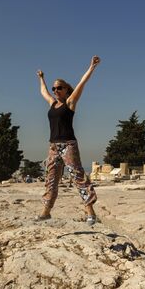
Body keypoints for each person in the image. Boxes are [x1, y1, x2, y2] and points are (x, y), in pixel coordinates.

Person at [36, 56, 100, 225]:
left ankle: (90, 212)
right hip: (53, 146)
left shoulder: (70, 103)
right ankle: (46, 211)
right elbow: (43, 92)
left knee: (78, 177)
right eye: (54, 88)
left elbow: (82, 83)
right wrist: (41, 78)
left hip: (68, 145)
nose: (55, 90)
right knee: (51, 179)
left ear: (66, 90)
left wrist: (91, 67)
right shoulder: (52, 103)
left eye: (59, 88)